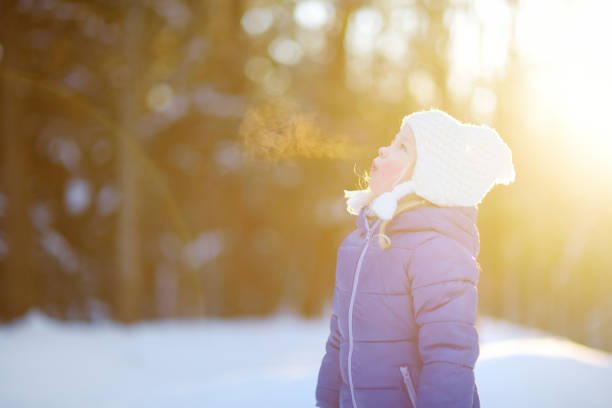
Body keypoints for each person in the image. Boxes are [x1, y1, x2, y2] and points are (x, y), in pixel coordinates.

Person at [314, 108, 515, 408]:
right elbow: (338, 342)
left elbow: (449, 355)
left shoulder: (436, 250)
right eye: (393, 141)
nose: (384, 149)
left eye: (402, 146)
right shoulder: (356, 246)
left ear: (426, 178)